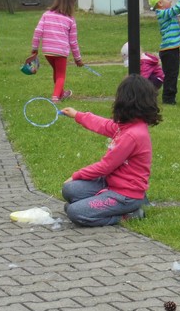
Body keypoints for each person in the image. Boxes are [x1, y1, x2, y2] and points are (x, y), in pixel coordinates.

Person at [61, 74, 162, 227]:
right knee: (69, 190)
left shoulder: (132, 135)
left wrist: (77, 175)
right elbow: (103, 125)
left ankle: (129, 215)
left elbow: (105, 166)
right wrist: (77, 115)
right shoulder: (126, 126)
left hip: (125, 196)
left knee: (74, 212)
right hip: (109, 184)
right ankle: (96, 207)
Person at [28, 0, 83, 102]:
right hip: (61, 52)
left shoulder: (46, 15)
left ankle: (61, 93)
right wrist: (78, 59)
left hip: (48, 52)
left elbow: (38, 31)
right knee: (61, 75)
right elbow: (73, 42)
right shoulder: (70, 20)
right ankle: (55, 97)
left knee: (57, 72)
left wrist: (35, 48)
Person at [149, 0, 180, 105]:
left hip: (172, 49)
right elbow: (177, 8)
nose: (170, 0)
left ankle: (169, 97)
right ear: (160, 3)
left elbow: (179, 10)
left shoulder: (167, 13)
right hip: (169, 50)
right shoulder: (162, 13)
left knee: (172, 74)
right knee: (171, 75)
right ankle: (168, 99)